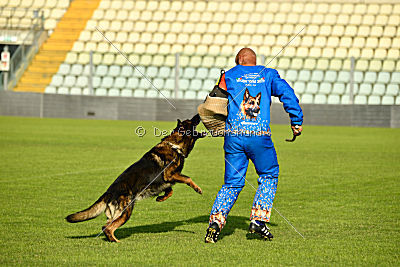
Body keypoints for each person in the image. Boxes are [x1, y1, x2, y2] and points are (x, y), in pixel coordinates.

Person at [204, 48, 303, 243]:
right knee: (269, 174)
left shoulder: (228, 75)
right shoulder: (268, 74)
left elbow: (213, 103)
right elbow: (287, 94)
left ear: (240, 60)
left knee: (232, 183)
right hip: (259, 136)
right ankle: (259, 220)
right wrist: (296, 119)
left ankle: (215, 223)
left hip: (233, 137)